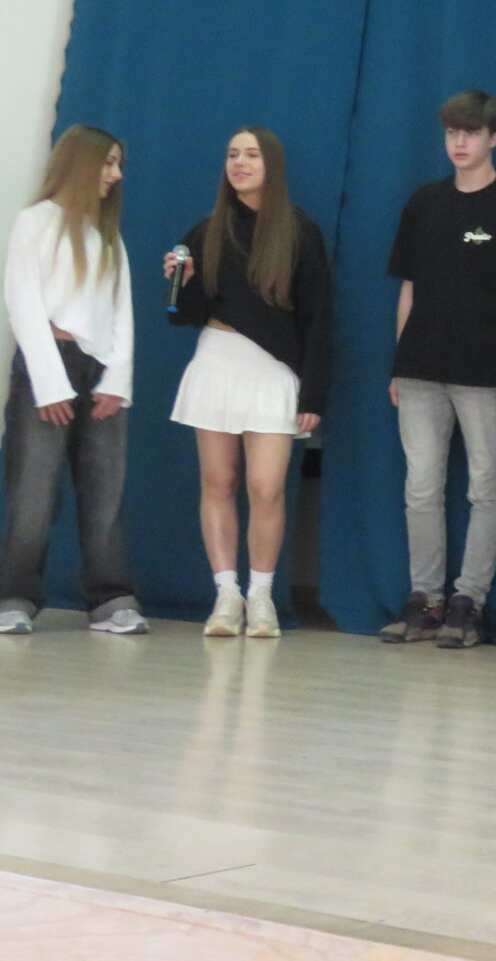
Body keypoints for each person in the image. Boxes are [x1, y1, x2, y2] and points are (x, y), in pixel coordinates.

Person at [381, 91, 496, 650]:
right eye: (452, 132)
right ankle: (425, 599)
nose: (460, 142)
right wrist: (400, 361)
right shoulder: (424, 203)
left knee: (485, 488)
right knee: (421, 487)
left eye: (471, 132)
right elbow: (409, 288)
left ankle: (469, 602)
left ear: (494, 138)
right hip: (420, 367)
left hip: (486, 370)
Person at [166, 126, 332, 640]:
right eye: (233, 154)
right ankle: (226, 595)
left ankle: (261, 596)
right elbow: (184, 315)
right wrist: (182, 283)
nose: (239, 162)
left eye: (251, 154)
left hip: (273, 372)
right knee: (218, 482)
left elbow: (319, 317)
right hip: (217, 360)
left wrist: (314, 391)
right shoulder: (206, 231)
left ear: (271, 164)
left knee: (266, 487)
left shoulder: (300, 231)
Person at [1, 125, 145, 636]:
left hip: (98, 372)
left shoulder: (106, 235)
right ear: (81, 163)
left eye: (118, 163)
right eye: (108, 163)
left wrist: (117, 380)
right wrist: (50, 385)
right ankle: (14, 597)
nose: (116, 174)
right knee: (33, 493)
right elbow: (23, 304)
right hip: (48, 367)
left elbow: (122, 311)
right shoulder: (35, 222)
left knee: (105, 492)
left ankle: (110, 599)